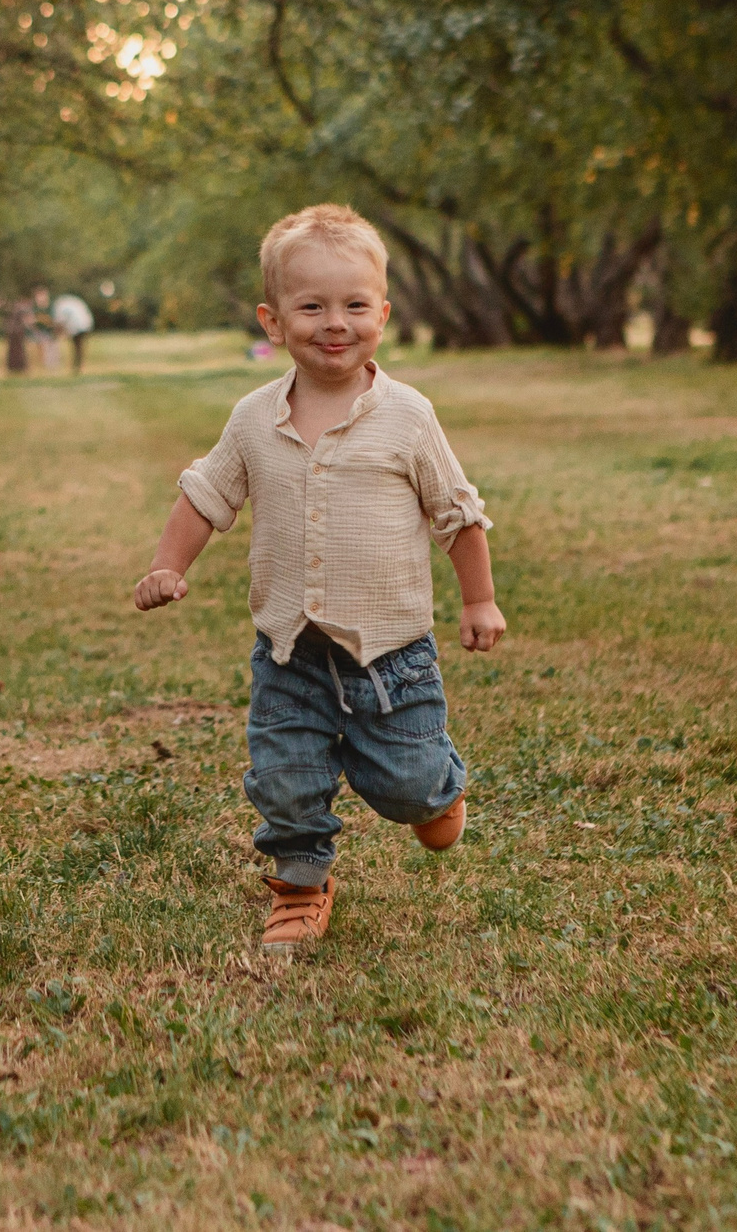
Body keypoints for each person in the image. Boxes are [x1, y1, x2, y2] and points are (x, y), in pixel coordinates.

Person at [132, 204, 504, 953]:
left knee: (405, 787)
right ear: (273, 321)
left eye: (355, 305)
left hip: (393, 655)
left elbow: (457, 514)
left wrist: (480, 599)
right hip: (288, 652)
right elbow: (206, 495)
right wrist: (168, 564)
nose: (335, 322)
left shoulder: (407, 415)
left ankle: (436, 785)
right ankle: (301, 884)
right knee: (286, 777)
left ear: (384, 314)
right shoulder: (251, 418)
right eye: (311, 306)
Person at [49, 288, 95, 374]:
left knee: (77, 346)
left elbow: (59, 322)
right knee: (79, 346)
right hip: (86, 324)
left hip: (77, 326)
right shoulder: (73, 301)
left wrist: (56, 333)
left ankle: (77, 366)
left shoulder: (60, 304)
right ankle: (78, 365)